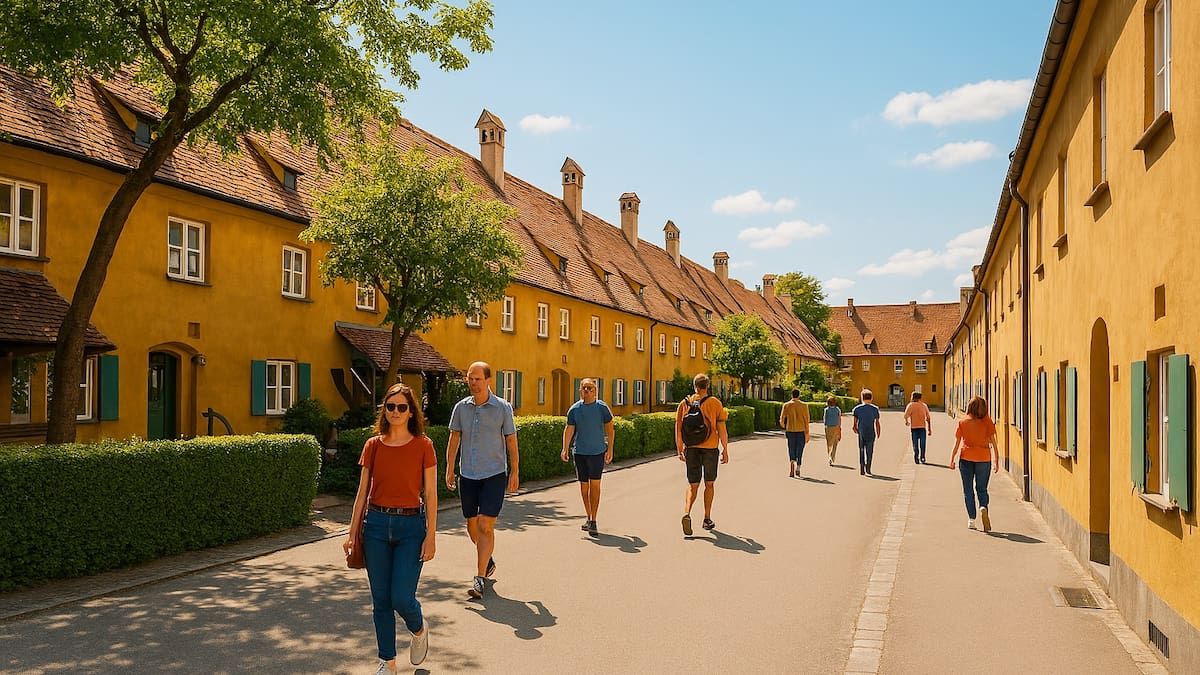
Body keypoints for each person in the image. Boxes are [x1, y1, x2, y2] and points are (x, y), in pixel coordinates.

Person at [344, 383, 438, 672]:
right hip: (375, 525)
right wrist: (351, 532)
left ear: (411, 412)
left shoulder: (423, 445)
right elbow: (362, 492)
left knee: (401, 598)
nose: (395, 411)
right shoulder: (373, 445)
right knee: (381, 600)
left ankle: (419, 628)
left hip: (411, 527)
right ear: (384, 410)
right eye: (390, 406)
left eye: (401, 407)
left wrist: (431, 536)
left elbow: (431, 493)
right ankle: (388, 661)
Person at [445, 362, 520, 599]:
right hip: (468, 474)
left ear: (488, 380)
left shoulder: (502, 408)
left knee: (485, 525)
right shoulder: (461, 408)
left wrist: (515, 471)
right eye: (470, 378)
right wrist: (449, 469)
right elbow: (454, 439)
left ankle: (479, 579)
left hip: (494, 475)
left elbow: (511, 440)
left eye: (477, 379)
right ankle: (487, 561)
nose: (473, 383)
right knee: (472, 527)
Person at [675, 373, 729, 534]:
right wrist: (725, 449)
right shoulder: (715, 403)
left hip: (691, 448)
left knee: (693, 484)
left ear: (694, 386)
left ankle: (687, 512)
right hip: (710, 448)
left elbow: (678, 429)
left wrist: (680, 449)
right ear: (708, 386)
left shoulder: (684, 404)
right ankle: (706, 519)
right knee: (709, 484)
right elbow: (721, 428)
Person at [561, 377, 615, 535]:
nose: (587, 391)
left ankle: (594, 520)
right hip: (580, 453)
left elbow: (610, 429)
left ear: (595, 391)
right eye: (584, 388)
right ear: (580, 391)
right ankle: (589, 517)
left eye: (590, 388)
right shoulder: (575, 409)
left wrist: (610, 449)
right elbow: (569, 429)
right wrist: (564, 448)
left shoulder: (602, 408)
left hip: (597, 452)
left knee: (595, 486)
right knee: (584, 487)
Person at [949, 396, 999, 531]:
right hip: (984, 458)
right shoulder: (987, 421)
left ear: (969, 407)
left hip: (966, 458)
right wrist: (997, 460)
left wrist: (952, 458)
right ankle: (983, 506)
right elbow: (994, 442)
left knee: (968, 489)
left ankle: (971, 519)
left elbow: (957, 443)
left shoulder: (963, 422)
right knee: (982, 488)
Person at [778, 388, 811, 478]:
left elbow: (782, 419)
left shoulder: (786, 405)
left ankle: (792, 462)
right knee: (800, 448)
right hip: (801, 430)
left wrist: (784, 425)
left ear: (791, 395)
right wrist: (807, 433)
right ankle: (798, 467)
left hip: (790, 430)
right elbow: (807, 420)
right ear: (799, 395)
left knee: (791, 447)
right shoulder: (804, 405)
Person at [851, 389, 881, 476]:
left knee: (861, 449)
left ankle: (862, 467)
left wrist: (855, 428)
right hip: (871, 431)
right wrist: (878, 431)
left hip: (861, 431)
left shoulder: (857, 409)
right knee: (869, 450)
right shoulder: (875, 409)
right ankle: (868, 467)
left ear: (862, 398)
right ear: (871, 398)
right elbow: (877, 422)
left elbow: (854, 423)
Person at [903, 391, 933, 464]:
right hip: (922, 427)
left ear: (913, 397)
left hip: (914, 428)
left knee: (915, 444)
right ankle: (922, 457)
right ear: (920, 398)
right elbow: (928, 418)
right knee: (923, 444)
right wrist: (929, 429)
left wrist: (907, 421)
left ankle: (916, 457)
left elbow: (906, 415)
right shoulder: (924, 406)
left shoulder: (910, 405)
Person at [823, 396, 842, 466]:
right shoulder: (837, 409)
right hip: (836, 427)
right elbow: (839, 419)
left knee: (829, 443)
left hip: (828, 427)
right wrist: (839, 428)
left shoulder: (826, 410)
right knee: (835, 443)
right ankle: (832, 457)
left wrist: (825, 425)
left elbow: (825, 419)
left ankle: (829, 456)